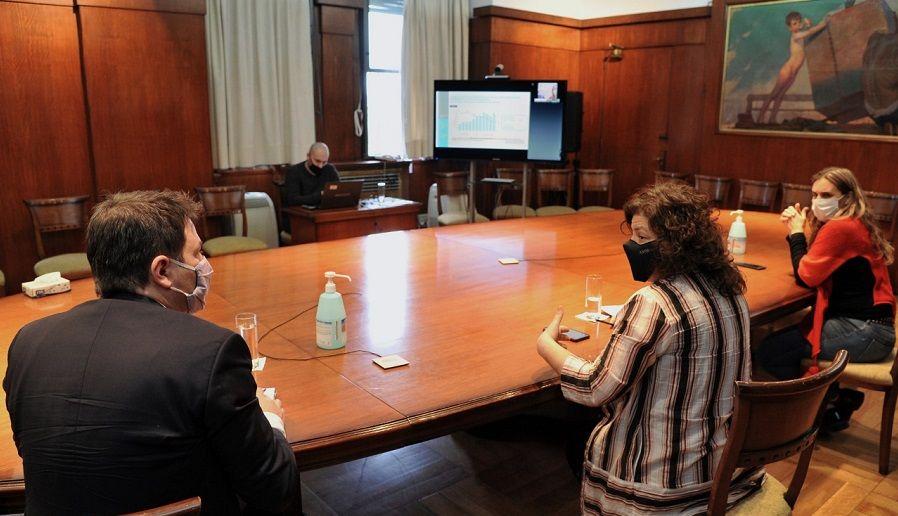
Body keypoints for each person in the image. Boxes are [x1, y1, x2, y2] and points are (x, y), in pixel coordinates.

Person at [4, 190, 297, 514]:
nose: (204, 264)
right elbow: (274, 487)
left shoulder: (28, 343)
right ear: (162, 271)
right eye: (196, 253)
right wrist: (271, 419)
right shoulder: (210, 351)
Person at [537, 183, 763, 514]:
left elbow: (594, 388)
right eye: (632, 235)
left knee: (580, 415)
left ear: (676, 244)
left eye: (642, 237)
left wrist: (546, 344)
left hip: (664, 484)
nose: (632, 245)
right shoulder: (730, 290)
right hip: (724, 468)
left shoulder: (655, 302)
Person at [757, 167, 895, 430]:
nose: (818, 201)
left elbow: (806, 276)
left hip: (866, 332)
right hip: (874, 327)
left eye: (826, 195)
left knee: (770, 351)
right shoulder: (853, 222)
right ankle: (834, 401)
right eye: (814, 194)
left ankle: (810, 416)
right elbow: (816, 266)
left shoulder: (841, 228)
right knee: (784, 341)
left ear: (847, 197)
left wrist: (796, 232)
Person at [756, 11, 830, 124]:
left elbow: (807, 32)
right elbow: (809, 32)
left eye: (798, 22)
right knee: (773, 94)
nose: (797, 25)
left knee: (780, 96)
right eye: (794, 24)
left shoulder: (800, 34)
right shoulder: (795, 36)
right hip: (788, 69)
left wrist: (808, 24)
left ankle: (772, 119)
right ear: (789, 28)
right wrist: (824, 24)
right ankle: (759, 118)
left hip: (793, 73)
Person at [285, 141, 341, 206]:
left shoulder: (330, 169)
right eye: (317, 161)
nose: (320, 166)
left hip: (326, 208)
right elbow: (292, 200)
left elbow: (339, 192)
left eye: (324, 162)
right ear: (308, 156)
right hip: (303, 210)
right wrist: (320, 195)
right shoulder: (294, 171)